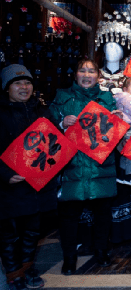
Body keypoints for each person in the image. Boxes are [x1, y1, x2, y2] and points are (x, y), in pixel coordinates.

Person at [48, 59, 118, 275]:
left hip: (100, 166)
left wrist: (117, 121)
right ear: (75, 74)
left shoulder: (107, 98)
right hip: (71, 166)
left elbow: (113, 132)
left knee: (103, 214)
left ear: (98, 76)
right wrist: (61, 123)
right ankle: (69, 258)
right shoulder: (61, 97)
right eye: (82, 70)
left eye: (91, 71)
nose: (87, 75)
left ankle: (101, 251)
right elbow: (46, 130)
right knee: (68, 217)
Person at [0, 65, 56, 289]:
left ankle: (27, 268)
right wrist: (4, 174)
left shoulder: (40, 110)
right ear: (7, 88)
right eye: (17, 83)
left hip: (35, 183)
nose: (24, 87)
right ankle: (14, 275)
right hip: (9, 186)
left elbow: (54, 141)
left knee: (32, 231)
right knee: (10, 235)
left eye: (28, 83)